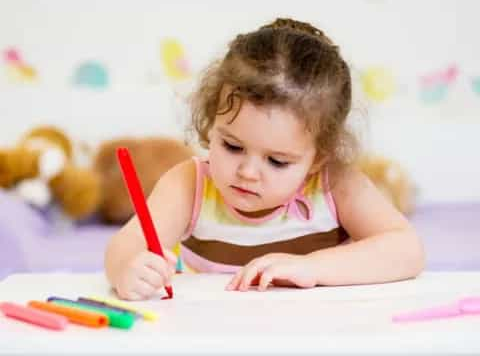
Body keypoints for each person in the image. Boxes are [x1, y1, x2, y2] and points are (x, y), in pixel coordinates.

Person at [104, 18, 425, 300]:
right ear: (211, 121)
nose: (247, 172)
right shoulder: (189, 184)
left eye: (277, 162)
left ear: (318, 158)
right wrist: (127, 269)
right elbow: (124, 246)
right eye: (232, 146)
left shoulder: (336, 186)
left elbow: (407, 250)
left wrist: (311, 267)